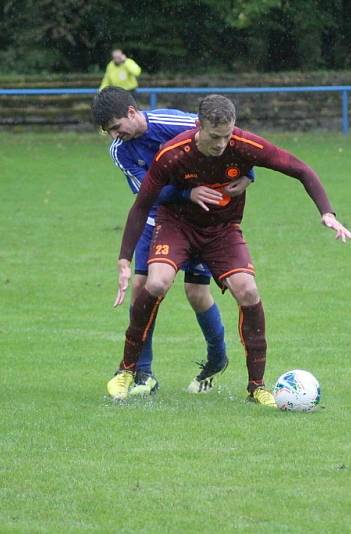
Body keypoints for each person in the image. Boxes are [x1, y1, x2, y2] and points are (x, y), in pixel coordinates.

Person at [107, 94, 351, 407]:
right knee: (155, 283)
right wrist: (124, 259)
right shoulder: (172, 153)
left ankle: (257, 387)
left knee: (248, 291)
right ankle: (128, 370)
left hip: (221, 230)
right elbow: (142, 204)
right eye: (214, 137)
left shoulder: (242, 144)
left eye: (227, 135)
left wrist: (326, 212)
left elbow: (299, 168)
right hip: (176, 225)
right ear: (199, 127)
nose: (222, 144)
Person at [92, 87, 254, 397]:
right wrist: (184, 193)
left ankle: (217, 358)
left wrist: (249, 174)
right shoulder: (120, 150)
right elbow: (147, 193)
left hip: (199, 218)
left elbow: (228, 138)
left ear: (130, 112)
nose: (115, 135)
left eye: (116, 127)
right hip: (156, 218)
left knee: (196, 291)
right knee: (143, 289)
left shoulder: (176, 123)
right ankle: (144, 373)